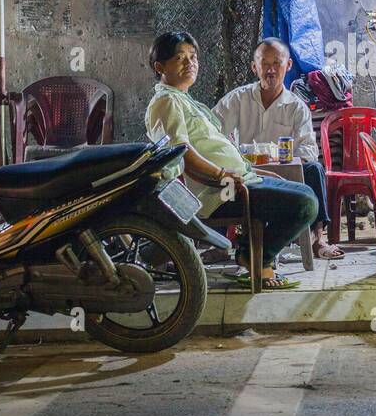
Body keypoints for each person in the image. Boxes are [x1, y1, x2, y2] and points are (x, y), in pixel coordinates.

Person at [144, 31, 317, 290]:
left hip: (240, 181)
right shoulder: (166, 101)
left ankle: (252, 252)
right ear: (160, 67)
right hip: (219, 192)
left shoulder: (184, 101)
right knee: (304, 203)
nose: (190, 63)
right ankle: (257, 258)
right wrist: (221, 175)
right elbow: (180, 152)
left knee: (306, 190)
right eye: (180, 58)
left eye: (193, 57)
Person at [214, 37, 345, 260]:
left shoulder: (297, 107)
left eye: (277, 63)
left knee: (314, 169)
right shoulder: (238, 99)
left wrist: (285, 165)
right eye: (264, 63)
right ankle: (218, 243)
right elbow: (212, 131)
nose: (271, 70)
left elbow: (308, 150)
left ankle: (317, 238)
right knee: (220, 175)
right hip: (245, 174)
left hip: (285, 175)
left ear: (289, 65)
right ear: (254, 66)